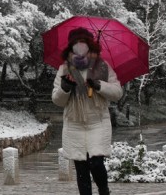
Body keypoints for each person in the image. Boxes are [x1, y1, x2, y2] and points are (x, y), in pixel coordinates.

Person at [52, 27, 123, 195]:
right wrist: (65, 87)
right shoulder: (64, 69)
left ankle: (104, 190)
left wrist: (99, 85)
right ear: (71, 47)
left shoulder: (103, 67)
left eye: (83, 42)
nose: (79, 46)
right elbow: (57, 99)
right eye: (76, 43)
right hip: (74, 124)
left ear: (90, 45)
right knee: (82, 167)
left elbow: (117, 93)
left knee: (96, 163)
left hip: (97, 122)